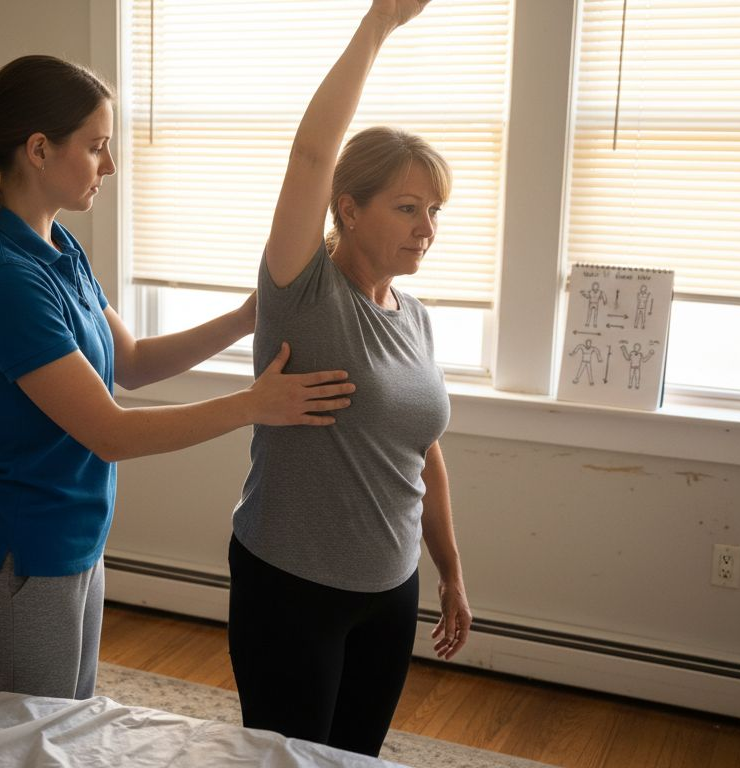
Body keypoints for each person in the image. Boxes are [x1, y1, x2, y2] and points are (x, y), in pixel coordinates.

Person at [0, 55, 357, 713]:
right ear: (39, 150)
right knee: (18, 745)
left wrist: (250, 315)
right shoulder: (5, 279)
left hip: (70, 539)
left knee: (61, 731)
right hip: (16, 556)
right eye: (97, 146)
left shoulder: (57, 248)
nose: (111, 164)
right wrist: (253, 406)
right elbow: (111, 431)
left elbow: (130, 361)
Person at [226, 0, 472, 757]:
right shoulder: (301, 291)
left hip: (388, 591)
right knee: (290, 758)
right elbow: (309, 153)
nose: (426, 227)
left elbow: (422, 452)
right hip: (290, 587)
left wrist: (451, 573)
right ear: (348, 208)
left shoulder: (417, 316)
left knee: (355, 756)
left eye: (433, 209)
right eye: (406, 207)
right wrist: (380, 23)